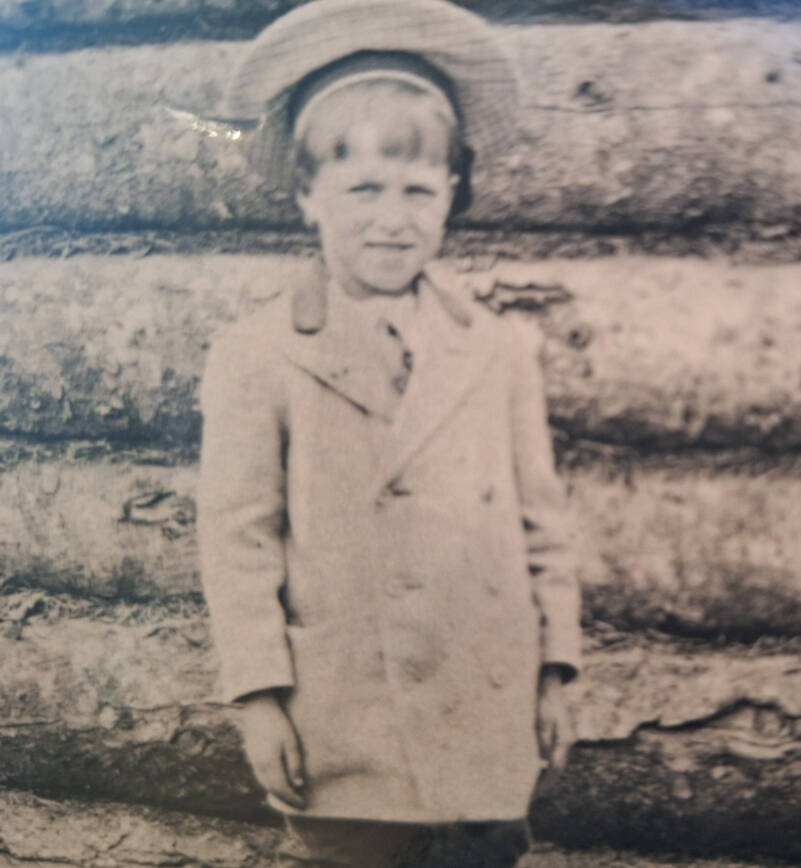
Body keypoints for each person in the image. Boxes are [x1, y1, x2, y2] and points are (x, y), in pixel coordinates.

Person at [196, 2, 582, 865]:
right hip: (344, 722)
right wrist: (260, 699)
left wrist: (556, 668)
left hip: (484, 714)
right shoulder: (259, 354)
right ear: (307, 195)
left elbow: (541, 521)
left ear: (451, 193)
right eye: (362, 189)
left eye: (417, 190)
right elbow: (238, 538)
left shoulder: (498, 348)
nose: (391, 218)